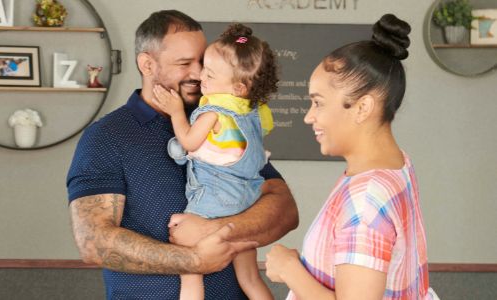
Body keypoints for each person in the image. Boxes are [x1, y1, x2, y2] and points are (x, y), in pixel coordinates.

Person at [66, 10, 298, 299]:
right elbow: (93, 241)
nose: (198, 73)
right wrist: (194, 260)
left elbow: (285, 210)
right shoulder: (107, 136)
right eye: (184, 63)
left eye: (202, 62)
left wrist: (215, 229)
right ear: (147, 65)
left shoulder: (223, 120)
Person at [264, 14, 438, 299]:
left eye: (318, 102)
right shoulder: (396, 164)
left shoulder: (366, 200)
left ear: (362, 108)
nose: (309, 116)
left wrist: (289, 270)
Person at [151, 23, 278, 300]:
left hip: (216, 200)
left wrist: (175, 112)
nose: (200, 78)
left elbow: (188, 142)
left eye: (209, 74)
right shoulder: (256, 111)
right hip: (247, 200)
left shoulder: (213, 112)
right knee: (250, 276)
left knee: (190, 267)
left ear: (239, 86)